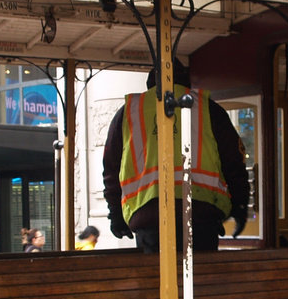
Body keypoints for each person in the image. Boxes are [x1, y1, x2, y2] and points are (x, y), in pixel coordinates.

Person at [103, 63, 250, 253]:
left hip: (149, 218)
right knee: (200, 280)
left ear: (150, 84)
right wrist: (239, 205)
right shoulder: (209, 109)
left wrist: (116, 214)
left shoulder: (128, 113)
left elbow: (111, 169)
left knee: (157, 280)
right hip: (201, 216)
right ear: (186, 82)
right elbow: (234, 163)